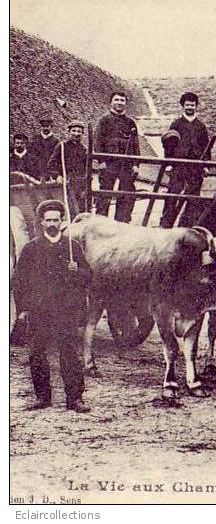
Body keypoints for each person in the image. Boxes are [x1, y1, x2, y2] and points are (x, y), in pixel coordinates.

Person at [12, 200, 92, 413]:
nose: (52, 224)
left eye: (56, 220)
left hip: (65, 310)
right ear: (41, 222)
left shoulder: (72, 248)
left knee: (69, 354)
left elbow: (88, 276)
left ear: (62, 221)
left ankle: (75, 399)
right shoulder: (31, 249)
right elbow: (19, 281)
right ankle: (43, 397)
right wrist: (24, 309)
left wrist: (77, 271)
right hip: (40, 311)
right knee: (37, 354)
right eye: (48, 220)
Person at [160, 92, 211, 228]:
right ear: (183, 106)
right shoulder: (176, 124)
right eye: (187, 105)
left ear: (196, 107)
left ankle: (186, 227)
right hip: (178, 166)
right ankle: (166, 226)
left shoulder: (201, 127)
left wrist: (206, 166)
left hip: (195, 168)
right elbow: (168, 146)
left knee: (193, 198)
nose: (190, 107)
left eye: (192, 105)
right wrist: (169, 164)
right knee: (173, 195)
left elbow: (206, 147)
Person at [93, 91, 140, 222]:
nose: (119, 103)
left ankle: (122, 222)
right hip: (109, 163)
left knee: (126, 193)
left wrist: (136, 164)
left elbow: (136, 145)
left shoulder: (130, 122)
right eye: (117, 100)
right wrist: (101, 161)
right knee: (105, 193)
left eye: (122, 100)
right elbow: (97, 142)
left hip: (126, 164)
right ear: (111, 102)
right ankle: (101, 222)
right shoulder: (104, 120)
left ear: (126, 103)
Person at [47, 120, 89, 211]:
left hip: (80, 183)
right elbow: (51, 164)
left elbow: (87, 169)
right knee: (68, 208)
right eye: (74, 131)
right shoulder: (62, 146)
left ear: (82, 134)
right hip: (66, 181)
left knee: (82, 207)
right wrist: (57, 176)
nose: (76, 134)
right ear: (69, 131)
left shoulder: (84, 149)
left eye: (79, 131)